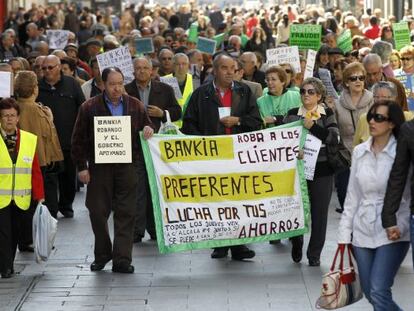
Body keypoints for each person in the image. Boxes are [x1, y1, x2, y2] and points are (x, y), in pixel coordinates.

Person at [71, 67, 154, 273]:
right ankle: (103, 253)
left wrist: (148, 130)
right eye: (112, 84)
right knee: (97, 211)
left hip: (127, 167)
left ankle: (122, 259)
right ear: (103, 84)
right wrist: (82, 167)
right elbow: (78, 140)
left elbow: (148, 127)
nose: (117, 88)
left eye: (120, 83)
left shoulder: (135, 106)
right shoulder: (89, 107)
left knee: (126, 213)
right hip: (100, 168)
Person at [182, 53, 261, 260]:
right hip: (212, 158)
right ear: (215, 71)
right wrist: (205, 146)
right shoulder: (201, 94)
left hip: (238, 156)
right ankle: (220, 243)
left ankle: (239, 245)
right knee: (217, 200)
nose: (229, 72)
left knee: (238, 200)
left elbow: (255, 121)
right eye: (224, 68)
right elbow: (189, 124)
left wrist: (238, 121)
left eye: (233, 68)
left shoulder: (245, 92)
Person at [338, 101, 410, 310]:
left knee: (379, 290)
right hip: (362, 230)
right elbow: (352, 196)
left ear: (392, 124)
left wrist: (401, 225)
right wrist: (344, 235)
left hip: (393, 230)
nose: (371, 121)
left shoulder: (402, 151)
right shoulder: (360, 151)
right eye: (371, 116)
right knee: (370, 292)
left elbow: (406, 196)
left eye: (378, 118)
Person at [125, 57, 182, 242]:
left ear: (152, 71)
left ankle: (156, 229)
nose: (141, 71)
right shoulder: (126, 91)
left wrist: (162, 113)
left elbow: (177, 111)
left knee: (156, 189)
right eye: (138, 68)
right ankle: (137, 231)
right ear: (133, 71)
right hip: (134, 146)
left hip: (157, 148)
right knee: (138, 189)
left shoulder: (164, 89)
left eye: (145, 68)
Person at [285, 77, 339, 266]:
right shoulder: (292, 114)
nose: (305, 95)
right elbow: (284, 140)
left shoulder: (327, 113)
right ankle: (297, 241)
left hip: (322, 170)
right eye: (303, 91)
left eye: (310, 92)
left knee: (319, 213)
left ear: (319, 96)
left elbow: (333, 138)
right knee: (297, 210)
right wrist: (294, 150)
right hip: (298, 170)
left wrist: (313, 127)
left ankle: (314, 253)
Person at [0, 98, 44, 278]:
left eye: (12, 115)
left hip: (21, 197)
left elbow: (35, 169)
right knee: (4, 232)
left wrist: (40, 195)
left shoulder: (28, 140)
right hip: (1, 197)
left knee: (16, 232)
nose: (9, 119)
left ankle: (7, 263)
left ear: (18, 117)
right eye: (5, 116)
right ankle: (6, 267)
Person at [37, 55, 85, 218]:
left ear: (59, 67)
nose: (47, 71)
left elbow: (82, 107)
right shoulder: (37, 86)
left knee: (68, 176)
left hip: (68, 140)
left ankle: (66, 205)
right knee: (50, 177)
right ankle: (51, 208)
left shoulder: (71, 84)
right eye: (44, 68)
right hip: (47, 143)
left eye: (50, 67)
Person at [334, 62, 374, 213]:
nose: (358, 81)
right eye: (353, 78)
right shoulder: (337, 104)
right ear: (346, 82)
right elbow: (334, 129)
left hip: (370, 157)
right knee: (346, 203)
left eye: (361, 77)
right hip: (345, 158)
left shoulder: (373, 100)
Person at [163, 53, 193, 126]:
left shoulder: (194, 80)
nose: (181, 67)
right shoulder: (165, 80)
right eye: (178, 64)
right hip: (171, 124)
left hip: (189, 123)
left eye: (184, 64)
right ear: (173, 66)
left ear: (188, 65)